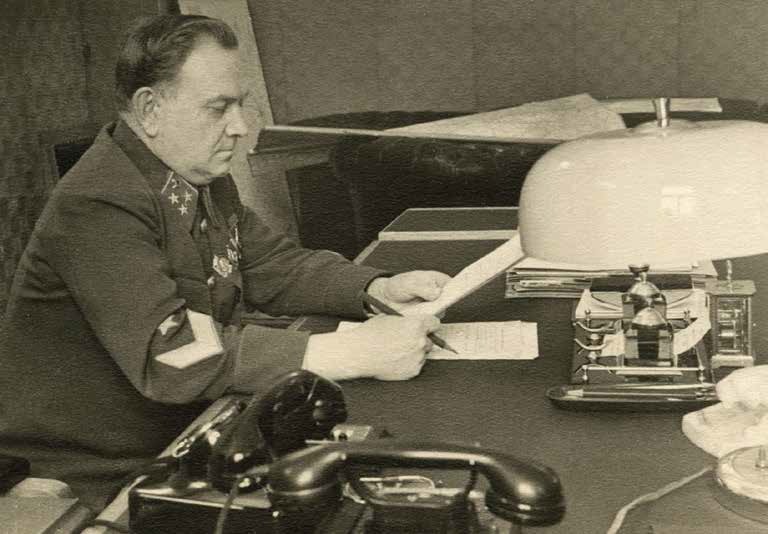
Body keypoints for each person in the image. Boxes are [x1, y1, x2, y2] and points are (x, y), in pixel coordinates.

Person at [0, 14, 449, 511]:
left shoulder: (194, 176)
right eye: (218, 108)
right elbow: (170, 352)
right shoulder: (99, 201)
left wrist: (374, 288)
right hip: (91, 476)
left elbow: (271, 264)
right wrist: (349, 352)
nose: (239, 127)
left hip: (188, 427)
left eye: (240, 105)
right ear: (150, 109)